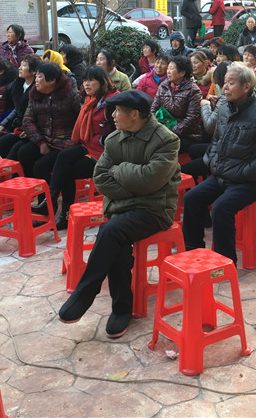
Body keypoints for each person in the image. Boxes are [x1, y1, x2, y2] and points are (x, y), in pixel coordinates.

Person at [58, 90, 181, 339]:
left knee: (111, 230)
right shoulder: (114, 139)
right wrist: (133, 182)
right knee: (117, 240)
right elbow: (101, 179)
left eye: (117, 111)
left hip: (155, 209)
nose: (112, 116)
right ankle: (121, 308)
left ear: (135, 114)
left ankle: (86, 293)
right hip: (123, 207)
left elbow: (150, 180)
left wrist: (120, 169)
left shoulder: (166, 140)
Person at [182, 63, 256, 262]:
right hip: (223, 173)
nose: (225, 87)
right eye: (225, 83)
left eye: (231, 83)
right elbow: (216, 138)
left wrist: (242, 172)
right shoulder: (224, 106)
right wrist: (213, 161)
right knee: (192, 198)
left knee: (221, 208)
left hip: (251, 180)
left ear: (246, 87)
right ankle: (193, 251)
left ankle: (225, 263)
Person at [50, 66, 118, 229]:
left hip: (104, 154)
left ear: (102, 82)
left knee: (67, 172)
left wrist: (101, 140)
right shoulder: (90, 100)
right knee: (63, 157)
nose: (86, 84)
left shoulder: (111, 102)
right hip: (88, 146)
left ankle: (63, 214)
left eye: (91, 80)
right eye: (85, 80)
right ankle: (51, 199)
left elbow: (118, 133)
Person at [8, 62, 81, 194]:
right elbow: (27, 120)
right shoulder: (35, 94)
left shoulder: (71, 95)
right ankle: (33, 191)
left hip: (65, 143)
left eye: (39, 77)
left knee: (42, 166)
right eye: (36, 76)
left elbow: (82, 121)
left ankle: (50, 198)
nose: (36, 80)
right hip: (45, 139)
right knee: (24, 152)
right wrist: (41, 142)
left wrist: (74, 142)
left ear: (52, 80)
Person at [150, 55, 203, 154]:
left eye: (171, 68)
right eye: (168, 68)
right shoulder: (163, 86)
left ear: (182, 72)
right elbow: (154, 108)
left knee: (161, 147)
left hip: (187, 134)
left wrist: (170, 131)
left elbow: (191, 118)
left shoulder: (193, 90)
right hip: (164, 128)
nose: (168, 71)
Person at [0, 54, 41, 160]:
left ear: (34, 71)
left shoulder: (38, 89)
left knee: (17, 150)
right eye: (20, 65)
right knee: (2, 142)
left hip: (31, 129)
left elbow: (39, 113)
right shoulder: (18, 86)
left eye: (24, 65)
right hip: (18, 126)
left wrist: (31, 130)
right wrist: (4, 124)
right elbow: (17, 109)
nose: (19, 68)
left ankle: (15, 169)